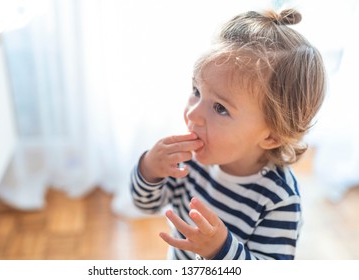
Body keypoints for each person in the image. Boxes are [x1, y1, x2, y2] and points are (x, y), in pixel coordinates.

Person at [130, 8, 326, 260]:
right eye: (196, 91)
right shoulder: (188, 159)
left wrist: (219, 251)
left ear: (271, 136)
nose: (192, 114)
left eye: (220, 108)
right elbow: (146, 204)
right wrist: (149, 171)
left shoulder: (278, 198)